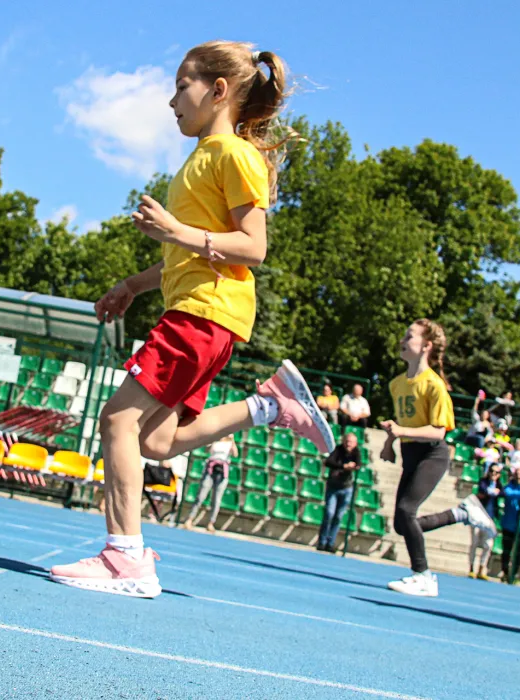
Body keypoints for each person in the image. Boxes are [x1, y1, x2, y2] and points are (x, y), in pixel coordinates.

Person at [49, 42, 335, 599]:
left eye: (182, 85)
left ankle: (124, 557)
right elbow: (187, 255)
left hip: (204, 314)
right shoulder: (202, 157)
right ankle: (269, 405)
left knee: (116, 423)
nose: (172, 98)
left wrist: (177, 231)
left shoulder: (233, 154)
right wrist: (132, 285)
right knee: (155, 440)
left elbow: (253, 247)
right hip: (200, 312)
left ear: (218, 90)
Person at [379, 319, 496, 597]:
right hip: (410, 452)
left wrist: (400, 431)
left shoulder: (434, 385)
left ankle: (423, 576)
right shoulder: (397, 384)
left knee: (407, 513)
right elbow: (403, 421)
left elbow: (438, 432)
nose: (403, 340)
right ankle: (460, 513)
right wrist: (390, 442)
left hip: (432, 454)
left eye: (410, 336)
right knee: (401, 523)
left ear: (426, 346)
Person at [183, 435, 238, 532]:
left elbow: (235, 454)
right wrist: (214, 439)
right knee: (201, 496)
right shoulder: (215, 440)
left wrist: (232, 440)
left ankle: (211, 523)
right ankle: (190, 519)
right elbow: (206, 450)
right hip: (211, 469)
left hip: (222, 471)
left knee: (217, 499)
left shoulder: (230, 443)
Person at [317, 431, 361, 552]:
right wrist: (343, 466)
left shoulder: (356, 452)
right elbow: (328, 462)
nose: (348, 444)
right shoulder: (338, 450)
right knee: (329, 513)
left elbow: (359, 464)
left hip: (346, 487)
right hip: (333, 486)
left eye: (351, 442)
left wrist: (353, 466)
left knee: (338, 516)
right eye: (347, 441)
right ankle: (322, 541)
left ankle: (330, 542)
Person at [470, 463, 503, 580]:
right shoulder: (483, 482)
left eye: (496, 473)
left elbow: (503, 493)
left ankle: (481, 568)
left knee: (488, 545)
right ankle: (471, 568)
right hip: (478, 516)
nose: (493, 474)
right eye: (492, 471)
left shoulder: (500, 486)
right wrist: (492, 491)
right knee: (474, 542)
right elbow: (483, 491)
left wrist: (496, 491)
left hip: (489, 518)